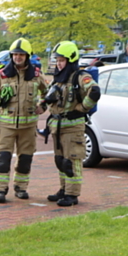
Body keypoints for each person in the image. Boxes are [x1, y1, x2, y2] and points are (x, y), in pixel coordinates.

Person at [0, 38, 48, 204]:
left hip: (28, 126)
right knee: (3, 159)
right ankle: (0, 190)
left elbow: (49, 93)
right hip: (6, 125)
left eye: (21, 54)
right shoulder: (2, 75)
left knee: (25, 159)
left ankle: (21, 188)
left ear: (27, 56)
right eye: (15, 54)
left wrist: (43, 105)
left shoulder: (36, 75)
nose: (18, 57)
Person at [43, 41, 101, 207]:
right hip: (58, 127)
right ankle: (64, 189)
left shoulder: (80, 76)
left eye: (62, 60)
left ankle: (72, 194)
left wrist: (82, 109)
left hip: (73, 127)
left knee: (72, 161)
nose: (59, 64)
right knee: (60, 160)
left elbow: (95, 91)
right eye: (57, 60)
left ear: (71, 60)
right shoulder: (59, 78)